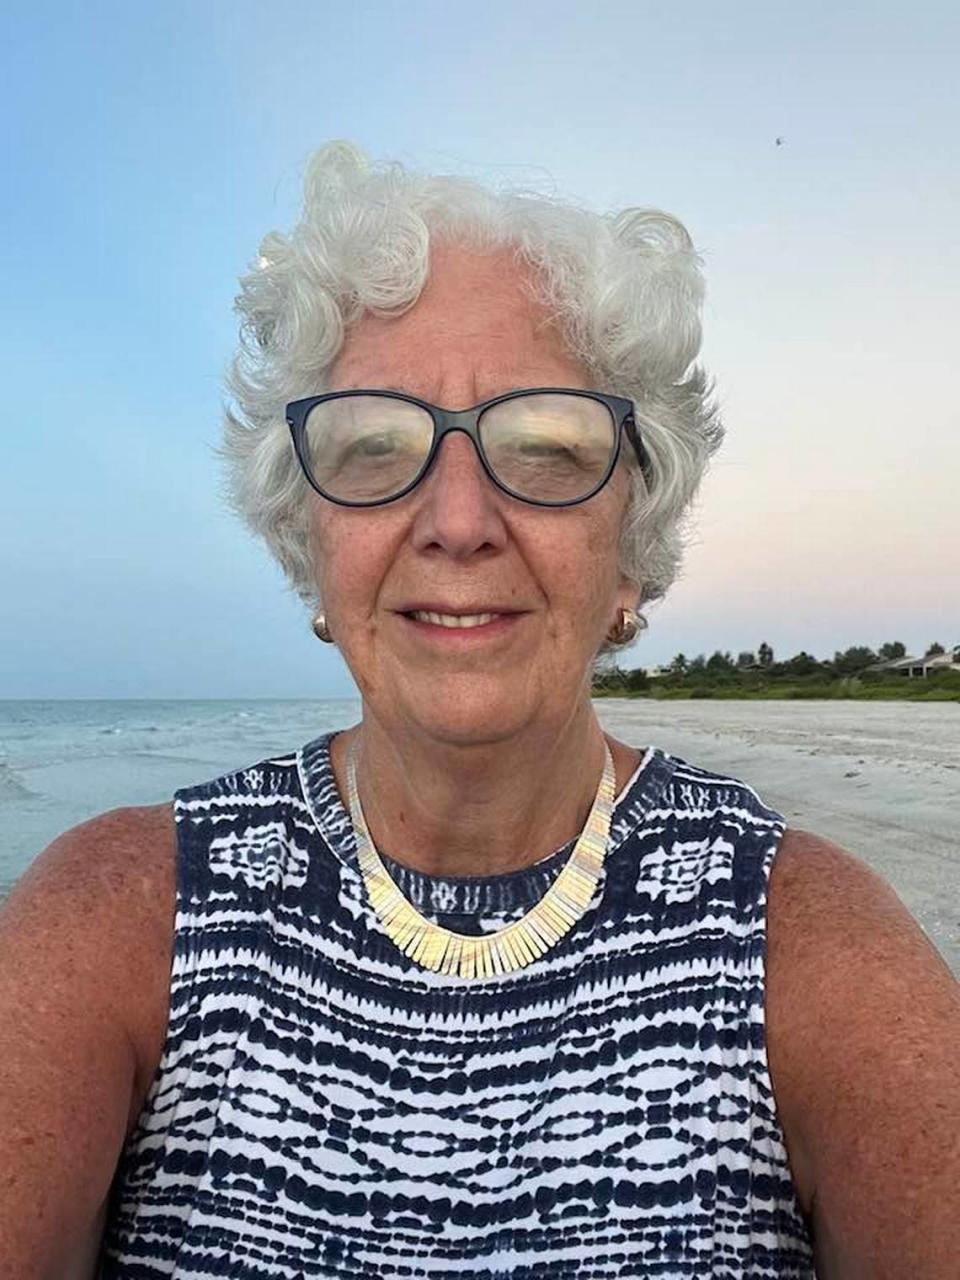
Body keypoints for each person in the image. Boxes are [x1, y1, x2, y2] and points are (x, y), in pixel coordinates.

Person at [1, 142, 957, 1280]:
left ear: (631, 547)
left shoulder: (812, 948)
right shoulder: (112, 921)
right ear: (308, 537)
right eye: (374, 446)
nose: (458, 518)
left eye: (546, 449)